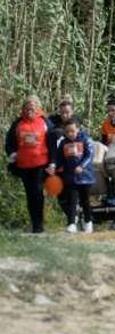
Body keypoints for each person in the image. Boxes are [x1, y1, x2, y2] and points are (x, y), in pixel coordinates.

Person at [5, 96, 54, 233]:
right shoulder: (18, 123)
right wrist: (12, 154)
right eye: (27, 107)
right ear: (23, 109)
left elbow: (53, 142)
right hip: (24, 165)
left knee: (38, 192)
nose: (29, 110)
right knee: (30, 194)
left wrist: (53, 162)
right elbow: (9, 142)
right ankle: (34, 223)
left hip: (41, 164)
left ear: (38, 108)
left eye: (32, 107)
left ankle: (39, 226)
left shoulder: (45, 122)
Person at [54, 121, 95, 234]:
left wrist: (82, 166)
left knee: (85, 201)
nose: (70, 134)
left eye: (72, 131)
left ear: (78, 129)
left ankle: (88, 222)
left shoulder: (86, 139)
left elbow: (89, 155)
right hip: (70, 177)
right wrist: (57, 167)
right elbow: (59, 158)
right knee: (72, 200)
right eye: (67, 131)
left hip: (85, 177)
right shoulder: (63, 143)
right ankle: (71, 223)